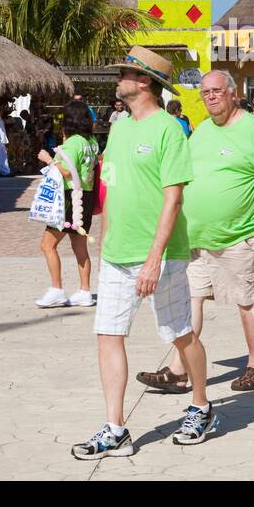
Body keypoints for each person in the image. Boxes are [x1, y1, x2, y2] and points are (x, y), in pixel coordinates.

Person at [72, 46, 210, 459]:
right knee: (108, 335)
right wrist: (105, 237)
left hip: (162, 255)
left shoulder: (168, 130)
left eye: (125, 72)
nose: (119, 78)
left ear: (145, 81)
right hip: (117, 254)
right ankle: (116, 428)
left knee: (179, 334)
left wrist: (154, 258)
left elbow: (173, 200)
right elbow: (111, 188)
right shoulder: (119, 127)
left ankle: (201, 406)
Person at [136, 69, 254, 396]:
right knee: (190, 301)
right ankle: (179, 371)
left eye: (216, 91)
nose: (210, 96)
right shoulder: (203, 131)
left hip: (238, 235)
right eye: (205, 92)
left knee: (247, 301)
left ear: (233, 93)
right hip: (198, 239)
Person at [35, 100, 101, 308]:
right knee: (79, 246)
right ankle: (85, 290)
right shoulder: (91, 141)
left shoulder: (74, 143)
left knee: (47, 245)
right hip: (86, 197)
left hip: (70, 197)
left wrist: (48, 159)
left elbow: (66, 171)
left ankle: (56, 289)